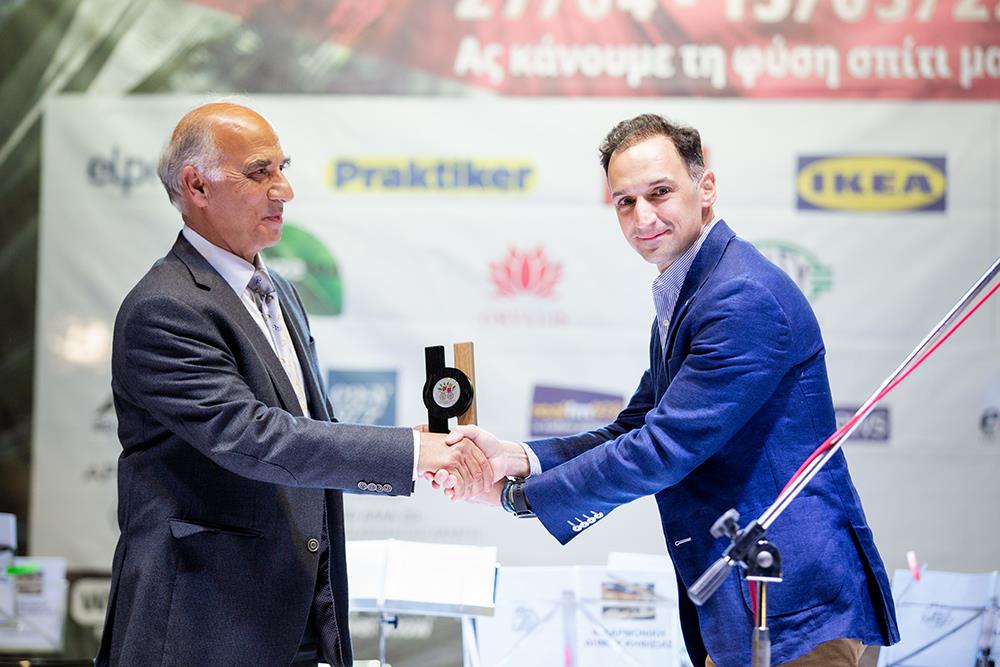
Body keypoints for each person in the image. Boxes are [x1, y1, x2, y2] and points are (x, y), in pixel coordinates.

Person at [440, 114, 900, 667]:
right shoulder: (692, 291)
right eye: (625, 201)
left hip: (792, 608)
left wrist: (519, 498)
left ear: (705, 188)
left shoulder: (740, 296)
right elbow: (634, 428)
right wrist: (516, 459)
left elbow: (661, 450)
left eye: (659, 192)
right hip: (746, 607)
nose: (643, 217)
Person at [96, 102, 488, 667]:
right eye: (259, 172)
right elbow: (255, 437)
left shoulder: (278, 288)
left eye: (283, 168)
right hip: (199, 630)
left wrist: (415, 442)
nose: (284, 190)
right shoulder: (164, 307)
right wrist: (409, 453)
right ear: (196, 185)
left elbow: (305, 429)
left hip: (291, 618)